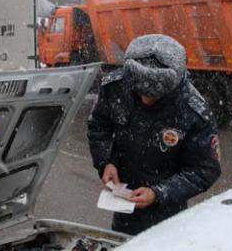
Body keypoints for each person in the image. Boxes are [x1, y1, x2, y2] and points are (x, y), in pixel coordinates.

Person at [87, 34, 221, 235]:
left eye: (154, 96)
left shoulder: (193, 111)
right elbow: (99, 126)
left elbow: (205, 170)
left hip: (168, 213)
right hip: (125, 204)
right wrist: (106, 162)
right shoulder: (115, 87)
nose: (146, 100)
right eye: (140, 93)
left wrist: (158, 193)